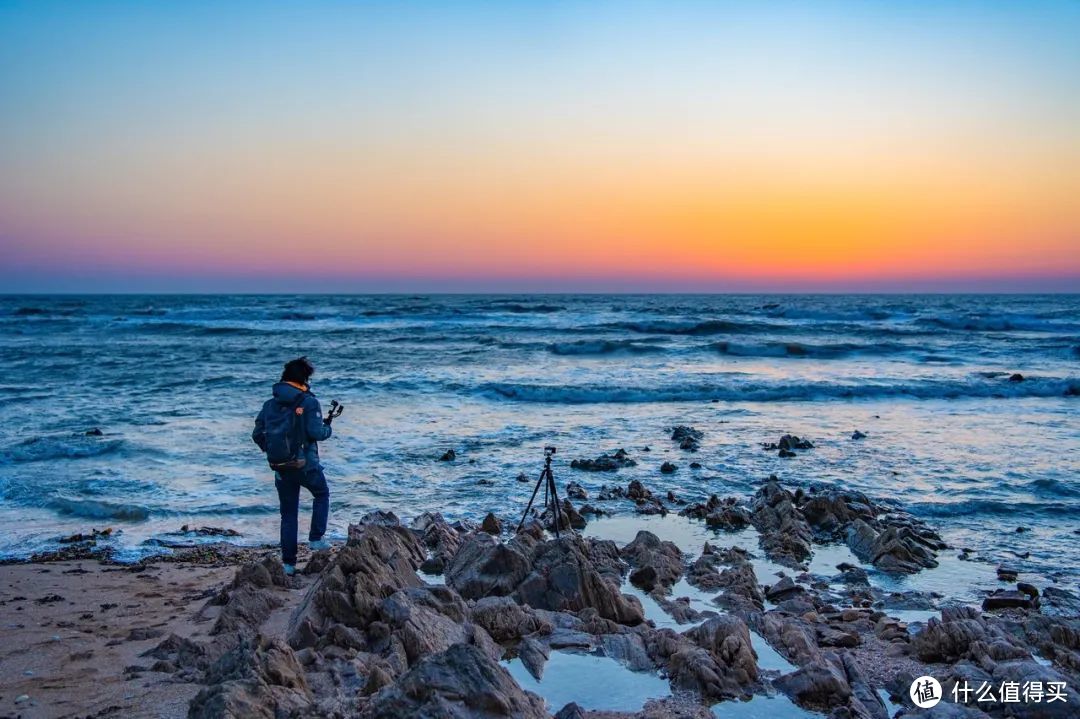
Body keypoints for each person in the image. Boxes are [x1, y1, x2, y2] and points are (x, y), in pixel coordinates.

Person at [252, 357, 336, 575]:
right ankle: (316, 539)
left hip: (280, 465)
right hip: (305, 464)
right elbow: (317, 433)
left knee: (288, 514)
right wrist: (328, 429)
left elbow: (257, 434)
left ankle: (288, 565)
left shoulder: (270, 404)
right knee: (322, 494)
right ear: (304, 378)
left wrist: (272, 450)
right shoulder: (308, 402)